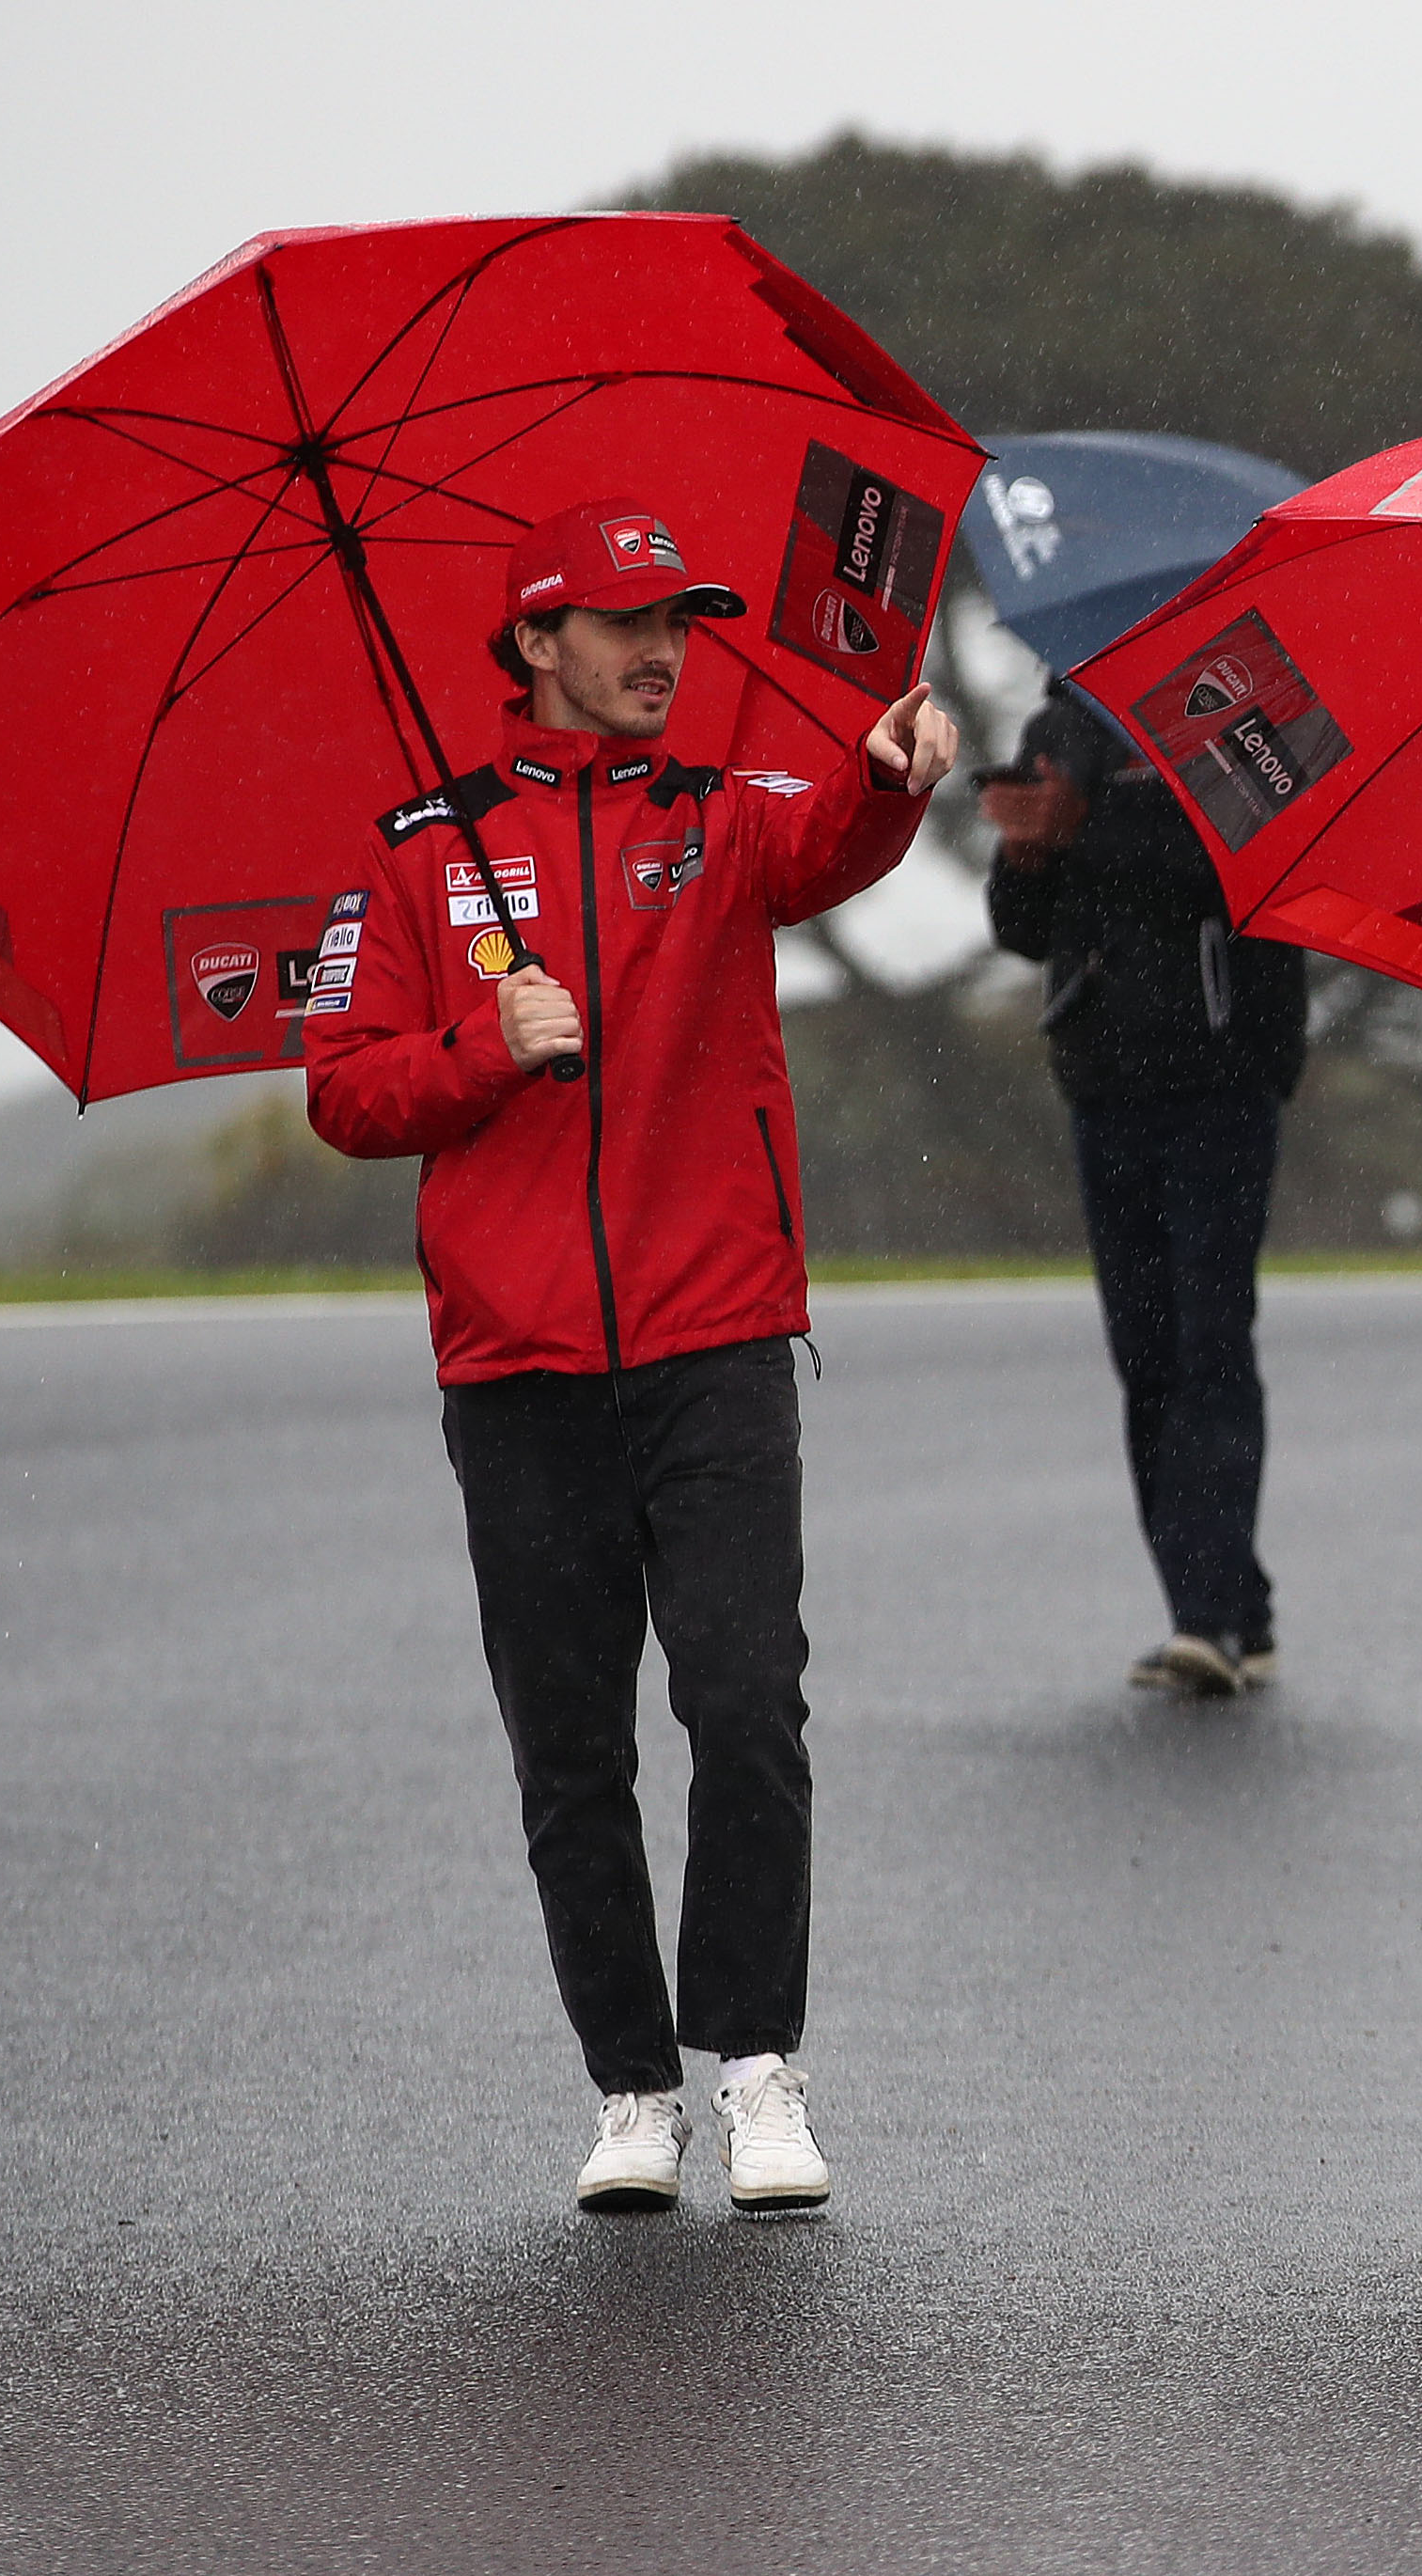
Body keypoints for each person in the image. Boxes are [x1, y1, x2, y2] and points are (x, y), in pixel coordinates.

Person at [306, 497, 954, 2216]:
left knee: (746, 1707)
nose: (661, 651)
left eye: (678, 619)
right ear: (533, 643)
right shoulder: (420, 849)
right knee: (571, 1746)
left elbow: (830, 846)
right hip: (513, 1366)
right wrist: (482, 1045)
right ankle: (630, 2090)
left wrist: (892, 774)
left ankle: (758, 2071)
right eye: (620, 622)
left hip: (718, 1336)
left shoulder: (727, 816)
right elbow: (346, 1092)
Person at [977, 688, 1312, 1696]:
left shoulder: (1256, 699)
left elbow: (1261, 869)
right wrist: (1029, 855)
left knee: (1211, 1339)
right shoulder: (1062, 724)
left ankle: (1202, 1615)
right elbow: (1022, 928)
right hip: (1103, 1083)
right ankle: (1231, 1608)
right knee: (1146, 1353)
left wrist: (1096, 824)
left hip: (1223, 1079)